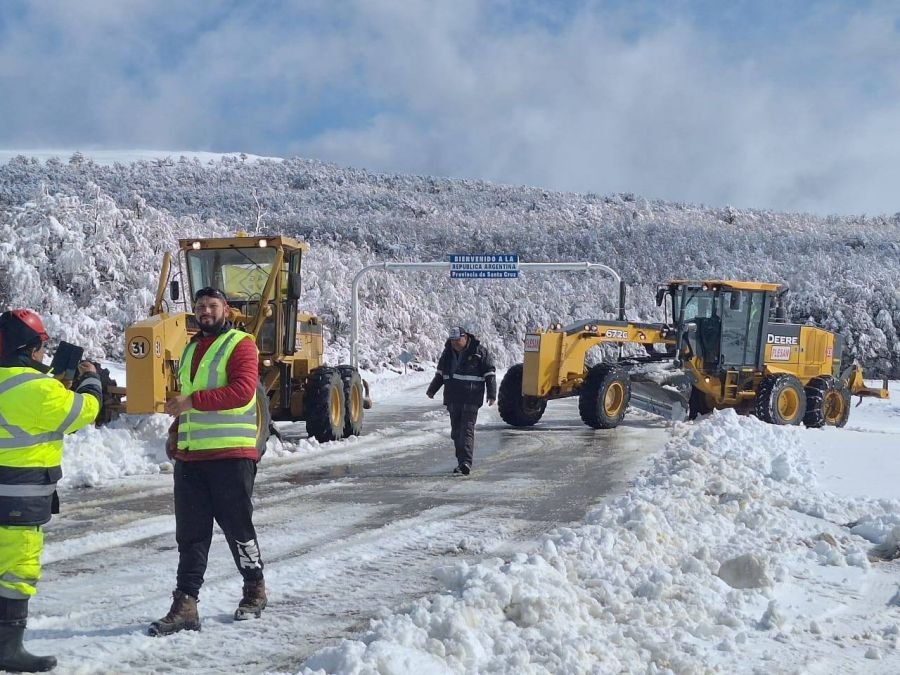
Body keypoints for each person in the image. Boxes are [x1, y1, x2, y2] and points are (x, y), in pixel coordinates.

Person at [149, 287, 267, 636]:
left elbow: (243, 391)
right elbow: (185, 398)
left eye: (212, 306)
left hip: (230, 455)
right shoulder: (189, 349)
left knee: (238, 529)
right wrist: (175, 429)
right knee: (191, 535)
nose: (205, 312)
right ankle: (186, 604)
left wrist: (191, 402)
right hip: (191, 457)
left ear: (225, 310)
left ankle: (254, 588)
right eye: (200, 306)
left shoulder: (241, 344)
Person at [0, 309, 101, 672]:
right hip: (18, 501)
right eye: (42, 348)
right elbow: (83, 412)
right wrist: (92, 382)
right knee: (15, 573)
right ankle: (8, 650)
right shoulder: (40, 389)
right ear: (29, 348)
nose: (44, 355)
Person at [426, 326, 496, 475]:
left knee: (466, 430)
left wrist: (491, 394)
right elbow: (440, 374)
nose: (455, 343)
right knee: (456, 432)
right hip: (453, 398)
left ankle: (466, 462)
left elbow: (490, 374)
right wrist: (432, 389)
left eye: (457, 340)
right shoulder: (447, 353)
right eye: (452, 341)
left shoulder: (479, 352)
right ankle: (461, 462)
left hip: (471, 398)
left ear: (465, 338)